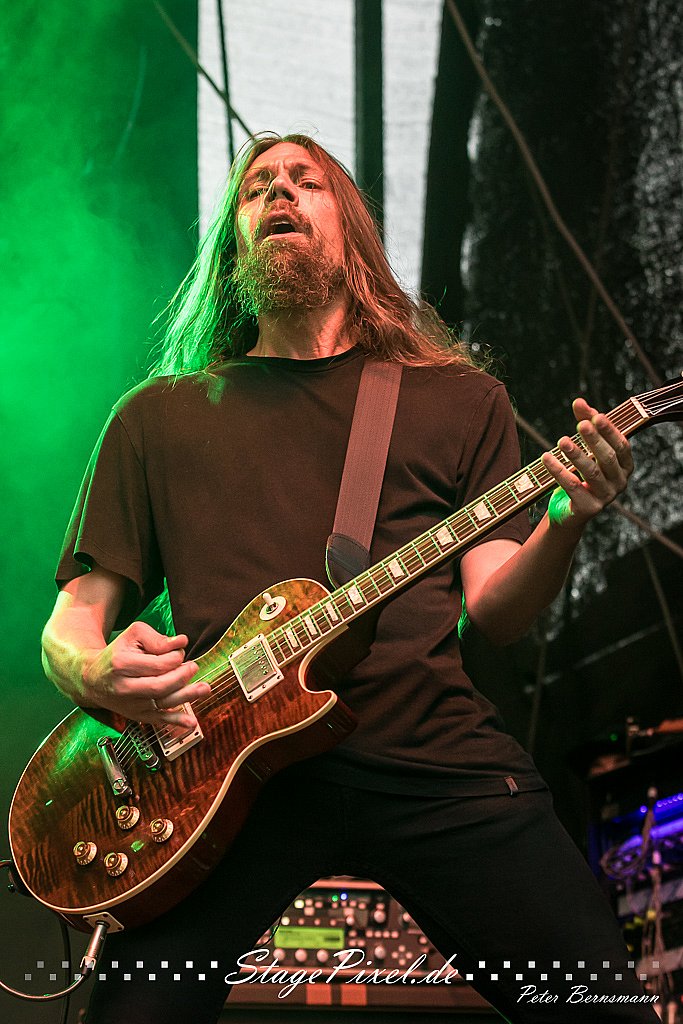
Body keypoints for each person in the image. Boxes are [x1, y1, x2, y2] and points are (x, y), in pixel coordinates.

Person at [41, 133, 657, 1023]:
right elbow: (70, 626)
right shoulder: (156, 418)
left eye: (306, 181)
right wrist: (96, 670)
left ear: (351, 229)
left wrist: (563, 524)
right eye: (257, 188)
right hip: (222, 779)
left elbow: (495, 611)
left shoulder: (458, 399)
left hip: (429, 756)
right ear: (234, 242)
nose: (280, 194)